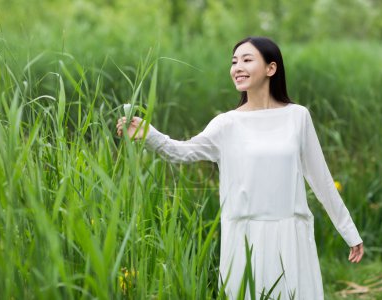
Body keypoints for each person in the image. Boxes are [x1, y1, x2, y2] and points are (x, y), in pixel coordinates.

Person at [116, 36, 364, 299]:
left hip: (290, 234)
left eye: (247, 60)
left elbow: (321, 178)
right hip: (244, 236)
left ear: (271, 68)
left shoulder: (297, 116)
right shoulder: (227, 124)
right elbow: (182, 152)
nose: (237, 67)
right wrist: (149, 134)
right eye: (234, 61)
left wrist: (348, 231)